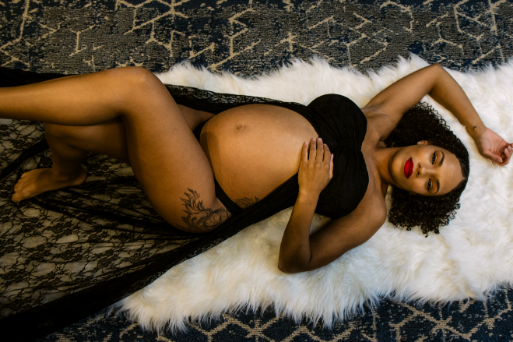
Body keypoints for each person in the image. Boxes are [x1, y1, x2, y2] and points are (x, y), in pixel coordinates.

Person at [2, 64, 511, 277]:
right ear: (427, 143)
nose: (422, 170)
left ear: (418, 195)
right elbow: (435, 76)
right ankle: (66, 173)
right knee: (63, 130)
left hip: (205, 197)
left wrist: (308, 197)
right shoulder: (378, 118)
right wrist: (480, 131)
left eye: (429, 184)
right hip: (199, 128)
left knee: (135, 87)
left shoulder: (370, 208)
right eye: (435, 160)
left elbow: (298, 262)